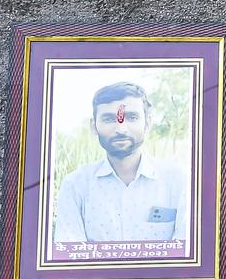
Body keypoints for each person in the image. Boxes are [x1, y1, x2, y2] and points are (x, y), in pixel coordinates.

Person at [52, 81, 190, 246]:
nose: (121, 129)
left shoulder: (179, 181)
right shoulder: (75, 185)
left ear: (147, 123)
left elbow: (186, 256)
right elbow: (69, 259)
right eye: (109, 118)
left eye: (131, 117)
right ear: (93, 126)